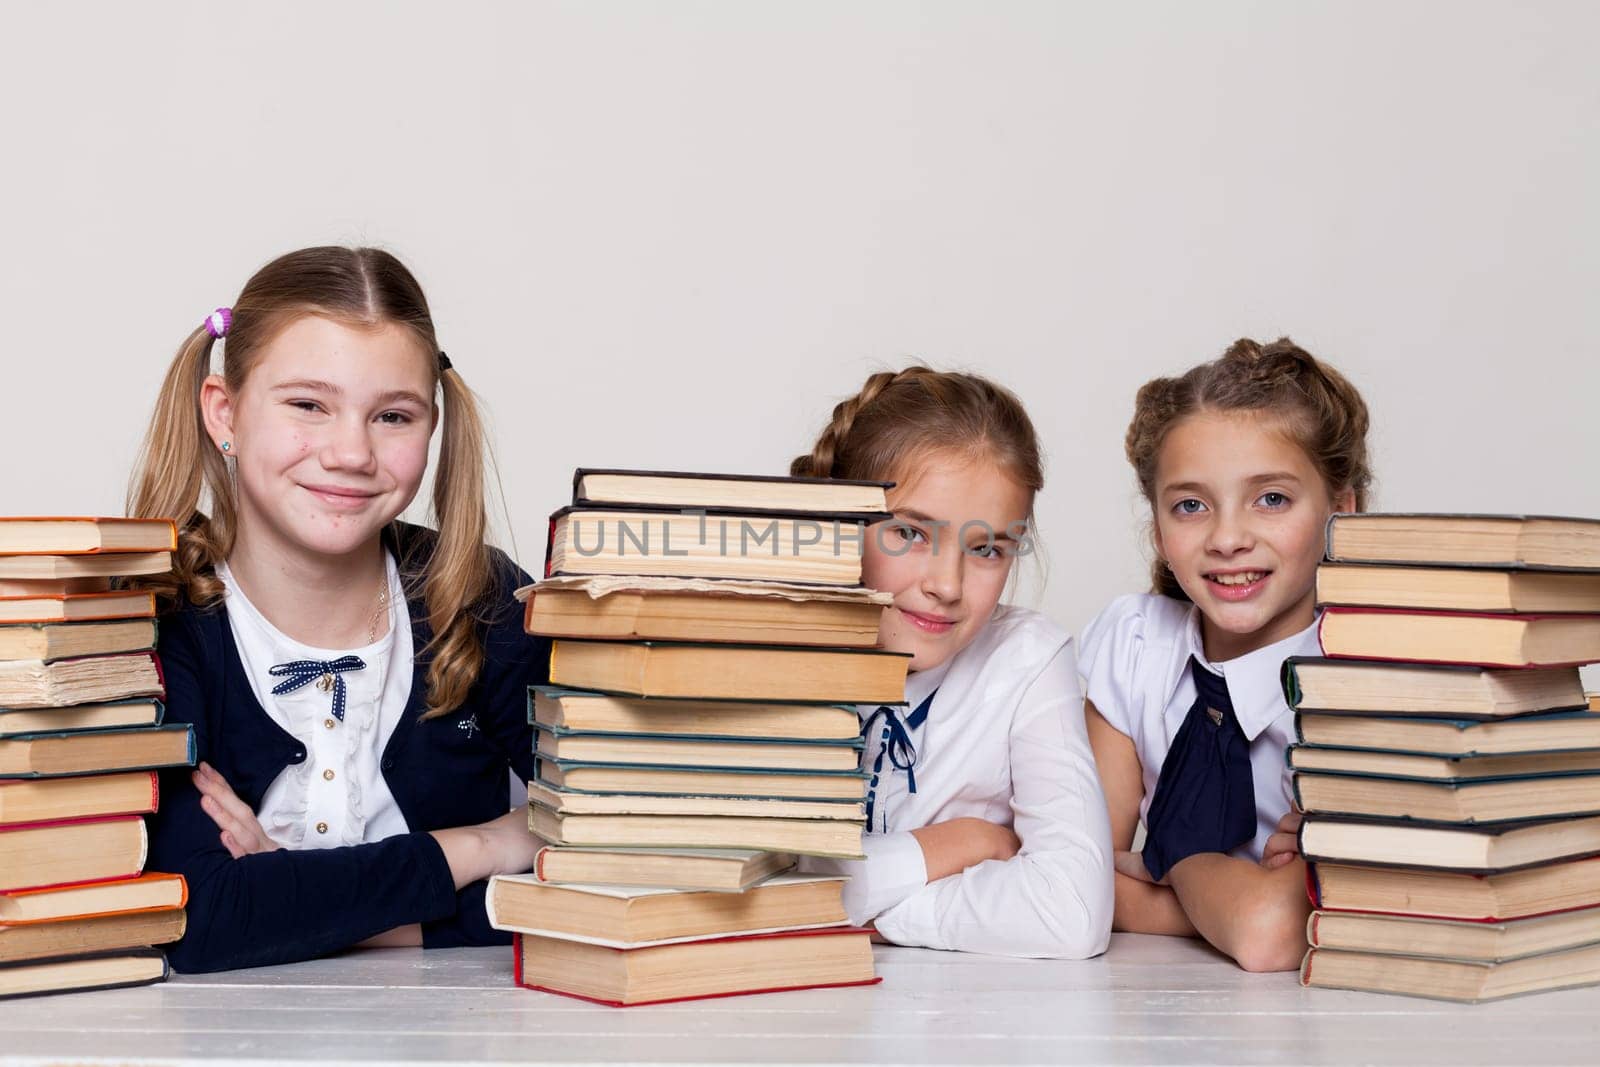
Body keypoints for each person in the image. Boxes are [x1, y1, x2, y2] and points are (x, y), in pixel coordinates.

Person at [127, 246, 547, 972]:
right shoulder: (162, 622)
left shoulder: (478, 599)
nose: (351, 452)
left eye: (392, 415)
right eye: (307, 405)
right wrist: (484, 845)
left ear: (433, 426)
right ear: (224, 413)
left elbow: (616, 849)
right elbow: (198, 919)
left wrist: (298, 901)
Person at [796, 366, 1113, 958]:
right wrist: (954, 845)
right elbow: (737, 884)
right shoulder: (759, 647)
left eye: (987, 549)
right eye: (912, 534)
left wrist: (855, 908)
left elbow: (1071, 913)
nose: (947, 585)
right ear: (842, 522)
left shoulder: (1028, 659)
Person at [1081, 337, 1372, 971]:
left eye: (1272, 499)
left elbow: (1271, 933)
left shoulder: (1372, 685)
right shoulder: (1135, 645)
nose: (1229, 538)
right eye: (1191, 505)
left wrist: (1176, 861)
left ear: (1341, 512)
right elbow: (1074, 882)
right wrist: (1223, 902)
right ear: (1158, 529)